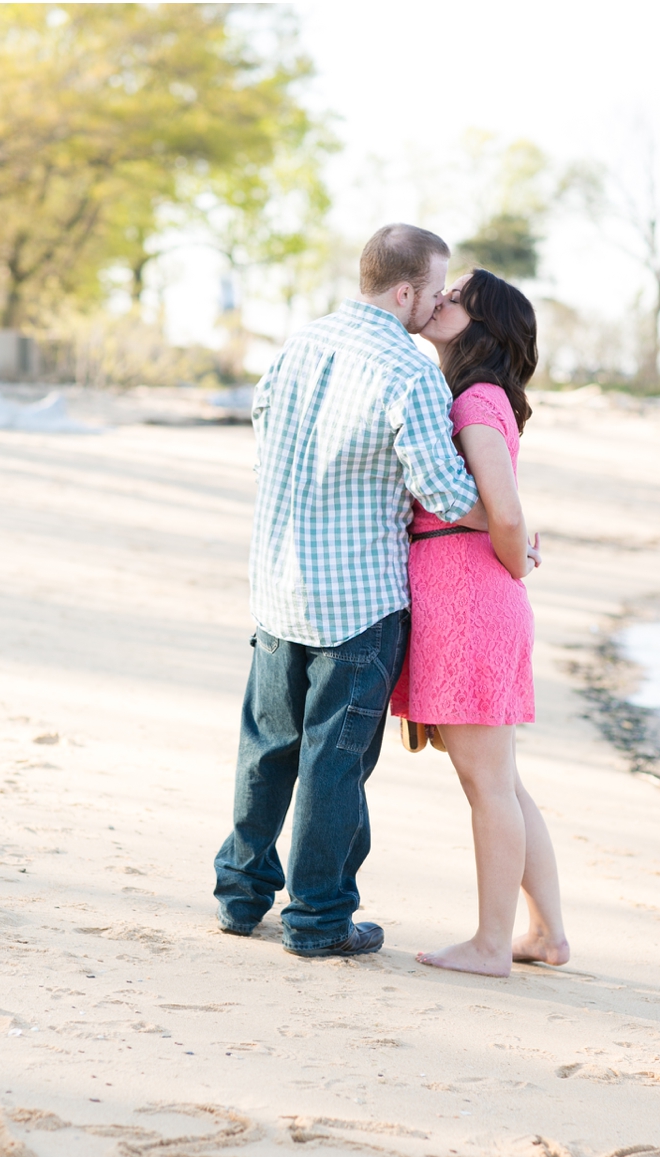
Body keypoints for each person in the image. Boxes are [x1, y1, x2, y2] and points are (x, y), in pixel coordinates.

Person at [213, 225, 489, 958]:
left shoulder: (299, 343)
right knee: (333, 763)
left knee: (268, 746)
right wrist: (508, 521)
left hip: (276, 583)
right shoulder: (408, 369)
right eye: (434, 290)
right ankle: (319, 917)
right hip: (358, 600)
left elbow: (264, 426)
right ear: (405, 290)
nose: (435, 305)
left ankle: (241, 896)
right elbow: (441, 486)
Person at [391, 269, 570, 976]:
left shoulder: (472, 400)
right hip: (472, 593)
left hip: (469, 600)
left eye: (457, 296)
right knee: (504, 781)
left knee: (487, 784)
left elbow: (506, 509)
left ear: (483, 324)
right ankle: (545, 934)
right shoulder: (477, 396)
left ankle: (493, 942)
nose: (441, 300)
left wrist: (516, 560)